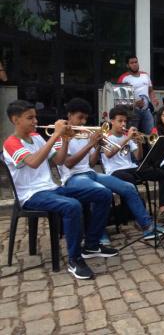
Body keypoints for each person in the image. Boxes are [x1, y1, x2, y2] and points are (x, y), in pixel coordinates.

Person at [3, 100, 118, 280]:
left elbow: (58, 161)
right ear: (15, 120)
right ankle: (74, 259)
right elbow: (33, 163)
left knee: (103, 193)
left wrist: (64, 139)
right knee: (72, 206)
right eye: (30, 118)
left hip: (51, 188)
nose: (35, 121)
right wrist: (56, 134)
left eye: (35, 117)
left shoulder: (38, 138)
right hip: (30, 195)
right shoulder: (11, 143)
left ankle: (92, 244)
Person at [59, 98, 164, 244]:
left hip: (90, 173)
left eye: (85, 118)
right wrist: (91, 144)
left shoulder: (85, 135)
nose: (84, 122)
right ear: (69, 115)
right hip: (72, 177)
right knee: (100, 192)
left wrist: (97, 146)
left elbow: (91, 163)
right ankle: (98, 233)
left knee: (128, 187)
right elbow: (68, 163)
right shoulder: (61, 136)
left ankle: (148, 226)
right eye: (80, 117)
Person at [101, 106, 164, 217]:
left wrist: (138, 142)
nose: (123, 124)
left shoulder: (126, 136)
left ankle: (163, 209)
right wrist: (127, 139)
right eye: (120, 121)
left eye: (125, 121)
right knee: (129, 179)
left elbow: (138, 158)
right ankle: (140, 213)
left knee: (163, 173)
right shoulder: (106, 137)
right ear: (112, 121)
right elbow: (108, 154)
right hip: (115, 171)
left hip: (131, 168)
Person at [117, 55, 159, 134]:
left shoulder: (145, 75)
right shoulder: (123, 78)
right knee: (133, 135)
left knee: (151, 134)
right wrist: (134, 103)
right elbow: (120, 98)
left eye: (136, 62)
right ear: (127, 65)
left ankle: (149, 146)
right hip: (131, 112)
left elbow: (150, 90)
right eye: (132, 63)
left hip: (146, 110)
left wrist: (154, 99)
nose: (135, 64)